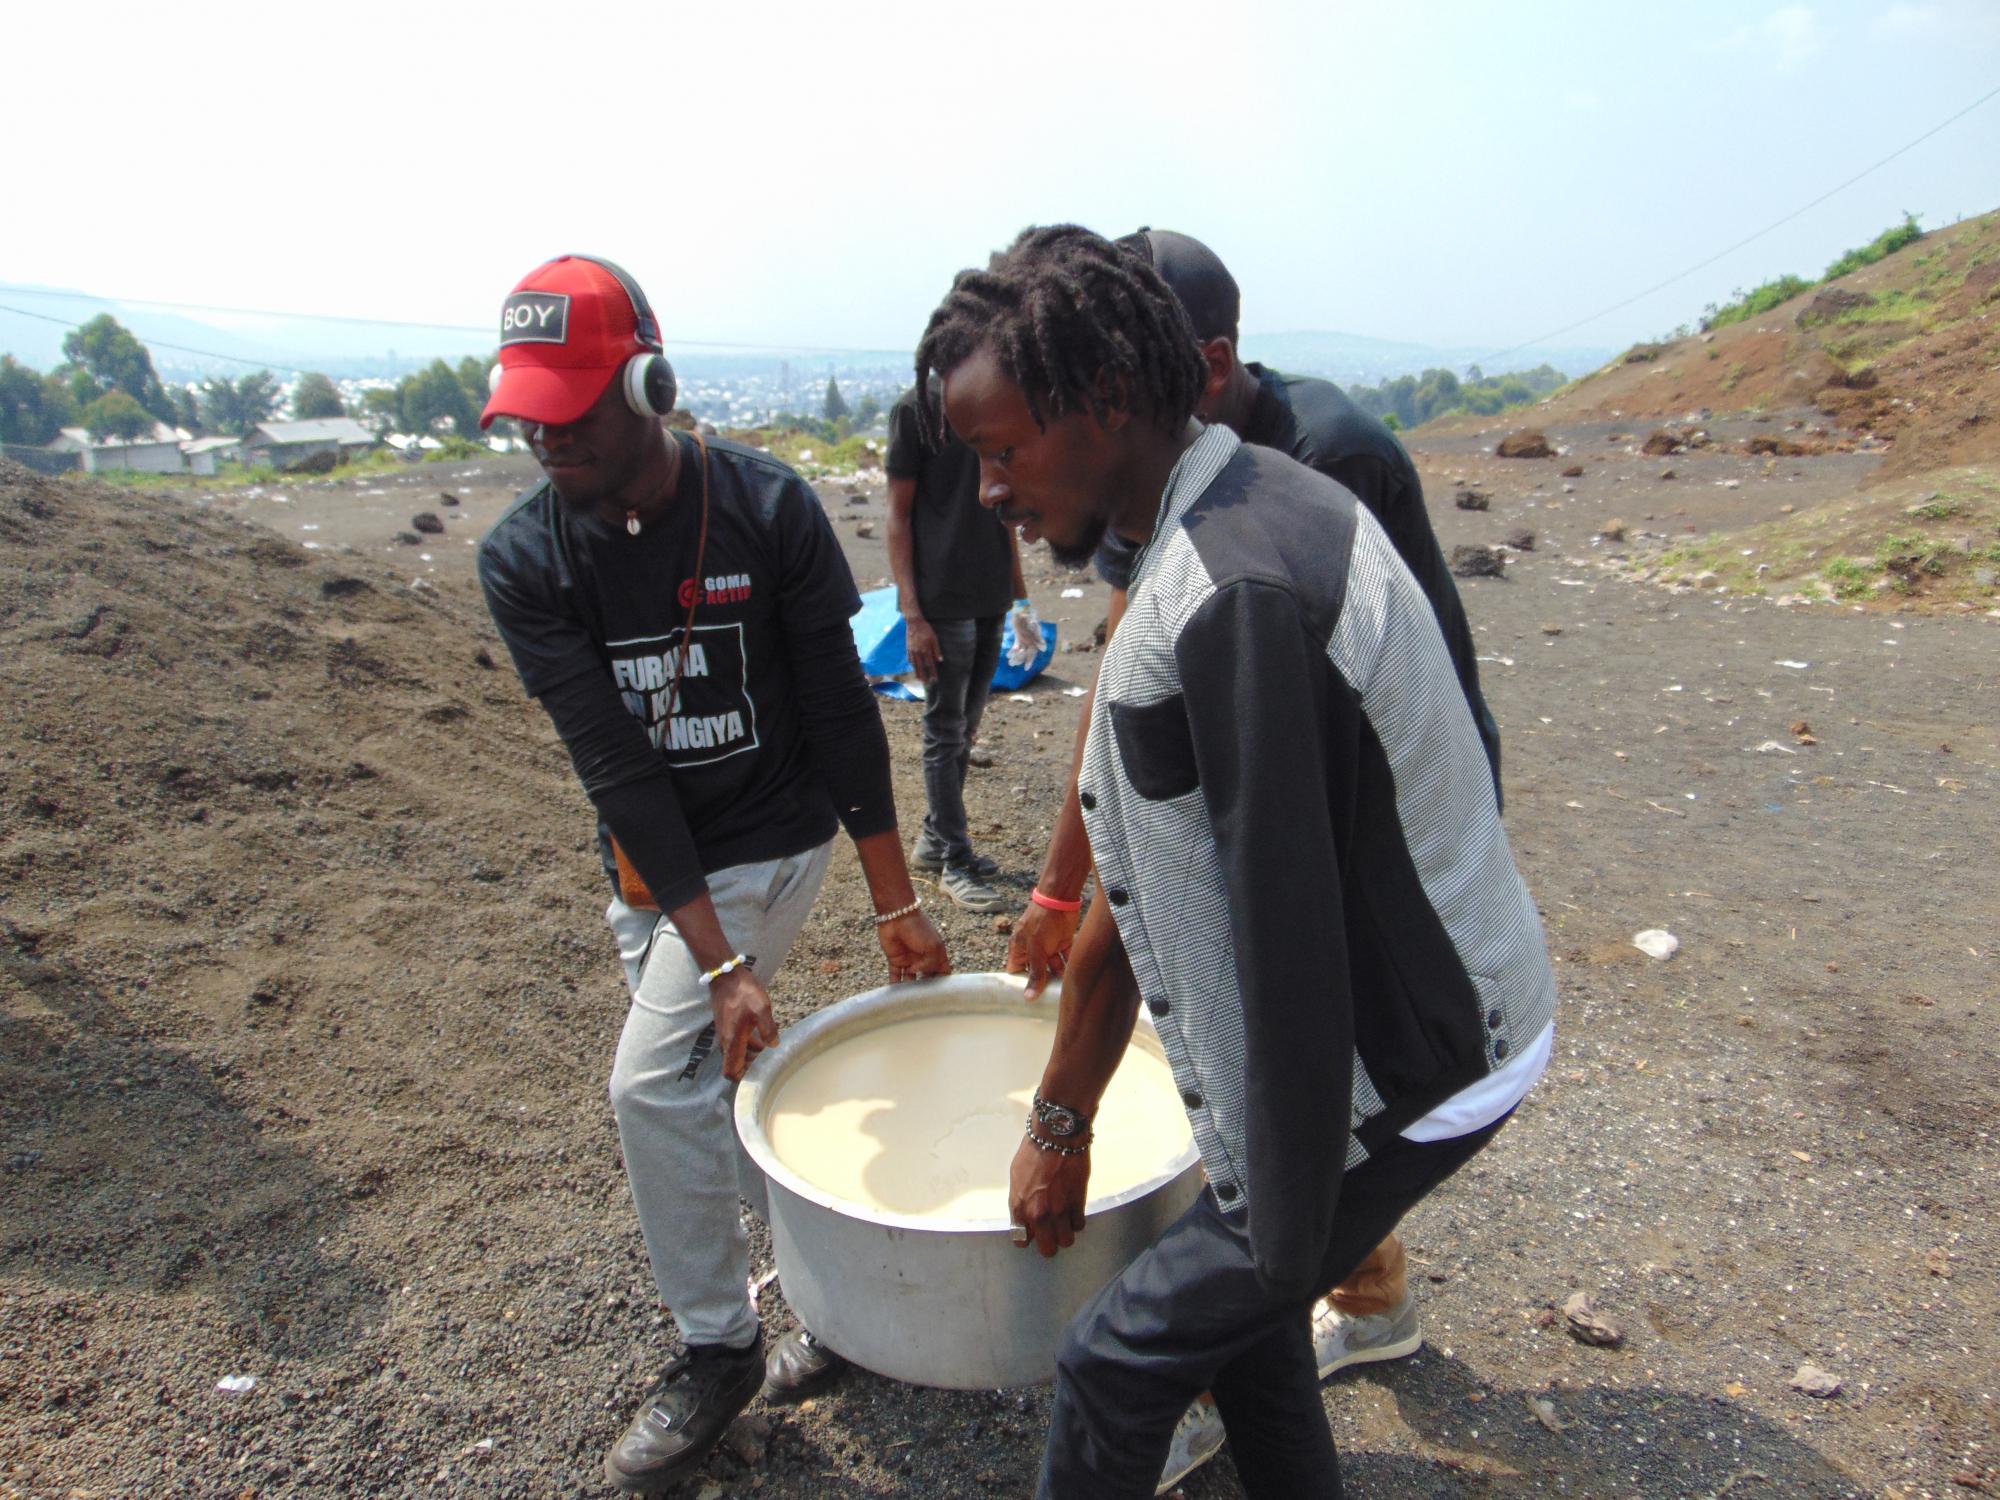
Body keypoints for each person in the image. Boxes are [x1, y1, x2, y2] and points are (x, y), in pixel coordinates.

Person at [916, 225, 1557, 1498]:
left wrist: (1279, 1233)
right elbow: (1148, 868)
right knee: (1250, 1342)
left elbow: (1291, 946)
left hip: (1418, 1051)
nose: (988, 490)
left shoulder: (1232, 592)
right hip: (1397, 1024)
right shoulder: (1223, 501)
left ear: (1103, 402)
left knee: (1112, 1363)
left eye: (1000, 452)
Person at [475, 254, 949, 1494]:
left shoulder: (766, 510)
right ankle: (856, 1294)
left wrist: (890, 897)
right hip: (652, 865)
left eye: (572, 412)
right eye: (528, 414)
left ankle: (715, 1350)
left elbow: (844, 715)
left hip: (770, 835)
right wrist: (715, 961)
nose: (547, 440)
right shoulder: (525, 559)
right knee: (714, 1089)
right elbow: (613, 770)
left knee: (648, 1088)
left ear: (649, 382)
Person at [885, 383, 1039, 913]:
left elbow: (1006, 508)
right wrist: (912, 614)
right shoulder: (916, 412)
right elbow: (898, 517)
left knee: (966, 728)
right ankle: (953, 859)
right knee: (945, 727)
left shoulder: (997, 402)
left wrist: (1020, 599)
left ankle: (934, 843)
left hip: (989, 592)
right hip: (941, 599)